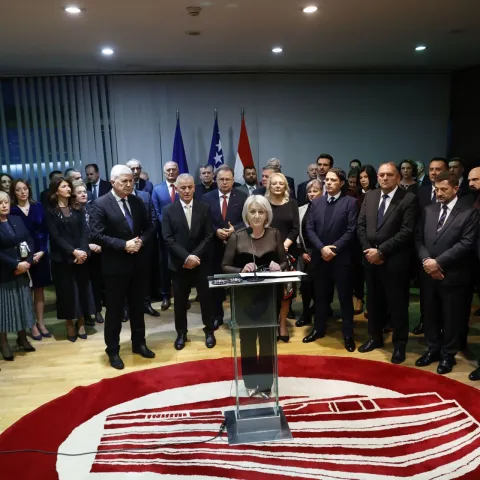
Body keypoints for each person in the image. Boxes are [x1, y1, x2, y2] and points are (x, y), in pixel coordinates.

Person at [90, 165, 156, 369]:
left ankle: (139, 344)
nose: (129, 184)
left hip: (138, 264)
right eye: (124, 181)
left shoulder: (137, 201)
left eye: (131, 181)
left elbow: (150, 226)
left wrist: (141, 241)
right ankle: (113, 350)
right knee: (115, 311)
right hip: (115, 267)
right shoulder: (100, 204)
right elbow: (96, 235)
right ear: (113, 182)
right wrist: (123, 245)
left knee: (138, 307)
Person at [222, 195, 286, 396]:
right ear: (246, 214)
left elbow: (285, 263)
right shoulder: (237, 236)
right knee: (247, 340)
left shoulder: (275, 234)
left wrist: (279, 266)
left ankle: (266, 385)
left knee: (268, 341)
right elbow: (224, 266)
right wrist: (241, 270)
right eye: (253, 211)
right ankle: (250, 383)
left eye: (261, 211)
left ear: (267, 214)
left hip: (269, 297)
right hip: (244, 299)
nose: (257, 216)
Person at [415, 171, 478, 375]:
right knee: (431, 314)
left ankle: (447, 355)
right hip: (428, 274)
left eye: (444, 189)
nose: (439, 193)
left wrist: (438, 263)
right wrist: (427, 261)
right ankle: (432, 349)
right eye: (437, 189)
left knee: (452, 318)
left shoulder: (469, 212)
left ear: (455, 189)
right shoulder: (429, 210)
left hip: (453, 275)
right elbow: (419, 239)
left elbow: (466, 244)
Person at [357, 162, 418, 364]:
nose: (384, 178)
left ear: (398, 178)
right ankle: (375, 338)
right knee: (373, 303)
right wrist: (369, 250)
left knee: (398, 305)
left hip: (394, 262)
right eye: (381, 175)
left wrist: (381, 251)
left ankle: (399, 345)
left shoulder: (408, 198)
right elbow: (361, 225)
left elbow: (406, 232)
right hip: (370, 261)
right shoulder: (370, 195)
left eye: (389, 175)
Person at [304, 168, 358, 351]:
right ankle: (318, 329)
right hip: (320, 258)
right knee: (320, 297)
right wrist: (322, 248)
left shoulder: (350, 203)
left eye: (333, 180)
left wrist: (333, 249)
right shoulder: (316, 202)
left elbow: (351, 230)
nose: (328, 183)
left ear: (342, 183)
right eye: (327, 180)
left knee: (344, 298)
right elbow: (309, 229)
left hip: (341, 259)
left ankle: (348, 334)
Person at [162, 174, 216, 351]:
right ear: (176, 189)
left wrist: (194, 257)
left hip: (202, 263)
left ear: (194, 188)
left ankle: (209, 331)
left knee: (206, 300)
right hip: (179, 264)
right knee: (180, 301)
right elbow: (168, 239)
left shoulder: (204, 208)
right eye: (182, 188)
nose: (186, 191)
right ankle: (181, 333)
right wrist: (186, 258)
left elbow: (209, 236)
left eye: (190, 187)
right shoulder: (168, 210)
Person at [45, 177, 91, 343]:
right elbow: (55, 237)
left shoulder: (77, 207)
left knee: (81, 290)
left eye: (68, 186)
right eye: (64, 186)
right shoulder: (51, 211)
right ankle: (69, 323)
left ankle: (81, 322)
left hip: (80, 257)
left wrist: (83, 251)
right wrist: (73, 252)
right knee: (66, 293)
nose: (68, 189)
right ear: (56, 190)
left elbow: (84, 232)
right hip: (63, 259)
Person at [203, 166, 247, 329]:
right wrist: (216, 230)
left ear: (233, 180)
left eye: (228, 179)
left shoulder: (242, 196)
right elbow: (204, 220)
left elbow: (248, 219)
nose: (224, 182)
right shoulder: (207, 198)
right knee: (216, 283)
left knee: (237, 283)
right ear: (216, 179)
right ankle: (217, 315)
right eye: (221, 179)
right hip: (214, 248)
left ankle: (239, 315)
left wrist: (235, 229)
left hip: (237, 247)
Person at [10, 179, 52, 340]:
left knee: (40, 290)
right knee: (26, 291)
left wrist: (41, 251)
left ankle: (41, 322)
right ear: (14, 192)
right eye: (19, 189)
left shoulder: (38, 207)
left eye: (25, 189)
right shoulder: (12, 211)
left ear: (29, 190)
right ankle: (31, 325)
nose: (23, 192)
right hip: (22, 256)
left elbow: (46, 231)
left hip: (40, 254)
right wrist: (27, 256)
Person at [413, 157, 449, 336]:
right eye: (432, 169)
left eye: (438, 169)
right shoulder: (422, 191)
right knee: (426, 295)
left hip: (447, 256)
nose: (434, 173)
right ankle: (424, 321)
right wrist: (425, 257)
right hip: (424, 252)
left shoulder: (461, 197)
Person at [0, 191, 36, 361]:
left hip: (22, 271)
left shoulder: (16, 219)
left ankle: (22, 338)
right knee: (5, 310)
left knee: (22, 305)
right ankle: (4, 343)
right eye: (0, 202)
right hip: (4, 274)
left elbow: (29, 240)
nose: (4, 205)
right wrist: (16, 264)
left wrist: (27, 261)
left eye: (6, 202)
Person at [265, 172, 299, 342]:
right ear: (269, 186)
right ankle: (270, 323)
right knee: (270, 292)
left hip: (287, 254)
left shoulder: (292, 203)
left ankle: (283, 324)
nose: (278, 186)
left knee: (286, 292)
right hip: (266, 253)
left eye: (281, 183)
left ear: (285, 186)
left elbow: (295, 228)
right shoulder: (263, 204)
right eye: (274, 183)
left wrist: (284, 246)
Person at [72, 181, 104, 325]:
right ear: (73, 195)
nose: (83, 194)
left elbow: (99, 228)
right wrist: (87, 245)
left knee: (97, 282)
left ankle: (97, 310)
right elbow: (75, 235)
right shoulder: (72, 212)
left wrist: (97, 244)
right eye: (79, 192)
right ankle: (86, 314)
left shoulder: (93, 208)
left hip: (96, 251)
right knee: (84, 284)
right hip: (81, 252)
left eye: (84, 191)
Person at [152, 161, 180, 311]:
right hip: (164, 235)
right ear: (164, 173)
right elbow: (156, 212)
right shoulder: (157, 190)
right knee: (164, 266)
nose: (171, 172)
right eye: (168, 170)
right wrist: (169, 227)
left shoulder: (184, 186)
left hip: (182, 235)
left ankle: (182, 296)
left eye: (173, 170)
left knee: (180, 266)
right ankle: (165, 295)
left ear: (178, 171)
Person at [296, 179, 322, 327]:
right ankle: (306, 314)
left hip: (321, 254)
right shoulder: (301, 209)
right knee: (305, 287)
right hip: (306, 253)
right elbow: (298, 234)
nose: (312, 194)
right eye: (309, 191)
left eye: (315, 191)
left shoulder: (326, 208)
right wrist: (302, 253)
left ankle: (318, 316)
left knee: (318, 287)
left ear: (322, 192)